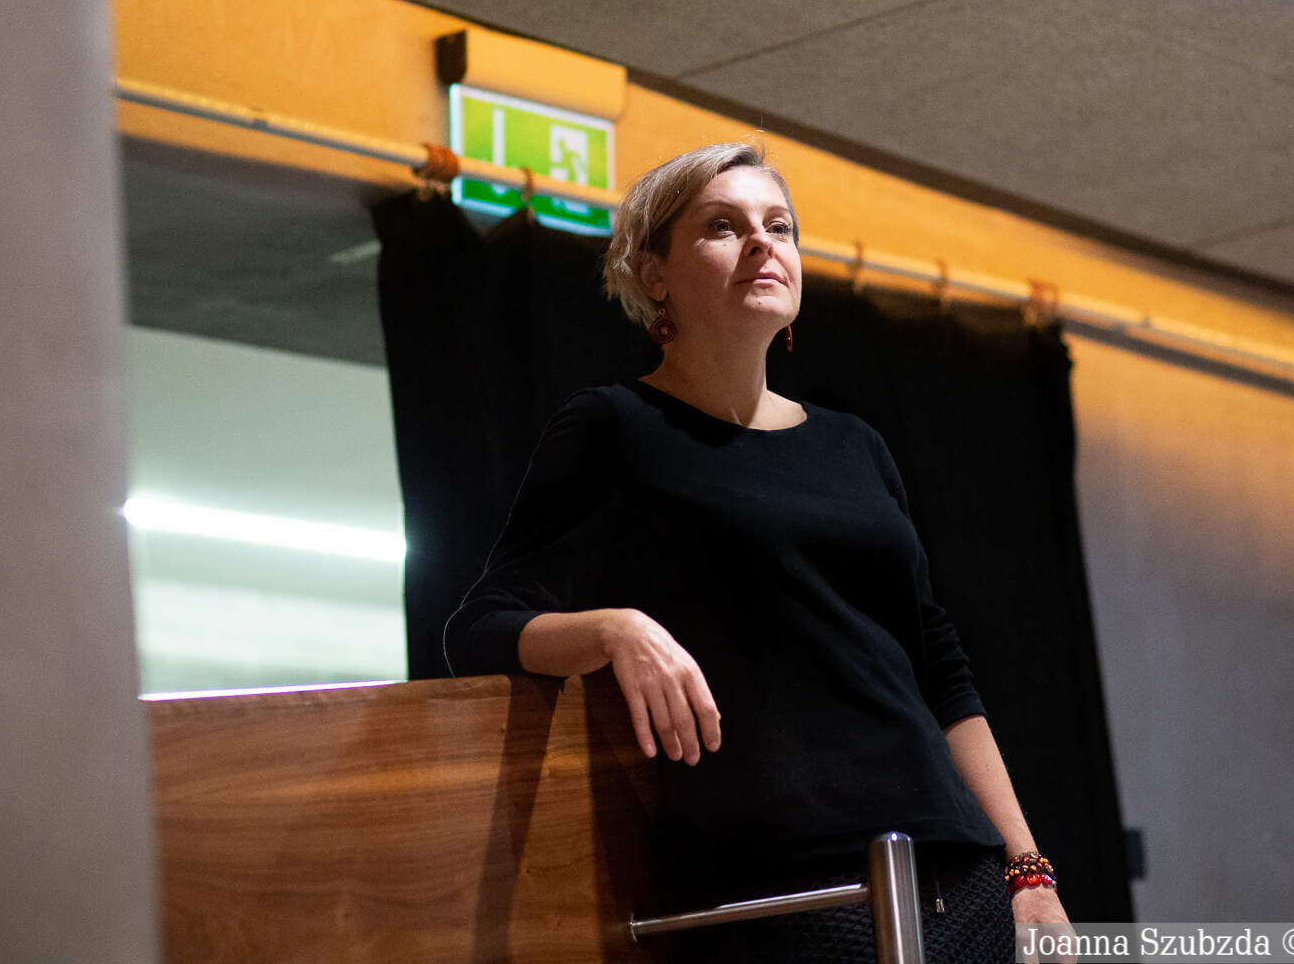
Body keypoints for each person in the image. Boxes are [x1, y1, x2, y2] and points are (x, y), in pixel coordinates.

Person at [443, 142, 1072, 962]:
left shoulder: (855, 446)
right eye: (722, 226)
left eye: (779, 226)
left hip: (956, 867)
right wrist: (615, 630)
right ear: (654, 274)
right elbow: (480, 628)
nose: (761, 243)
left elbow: (938, 665)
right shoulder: (613, 428)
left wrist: (1027, 868)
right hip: (780, 883)